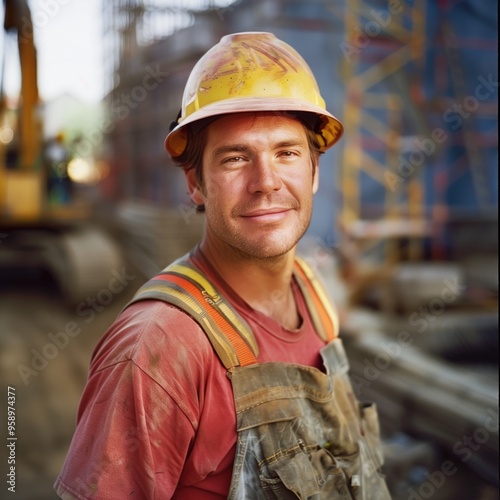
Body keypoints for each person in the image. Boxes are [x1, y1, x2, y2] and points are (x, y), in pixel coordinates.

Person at [55, 32, 391, 499]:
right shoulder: (159, 349)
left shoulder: (312, 293)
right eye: (236, 159)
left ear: (314, 172)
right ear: (196, 183)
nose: (266, 182)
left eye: (287, 152)